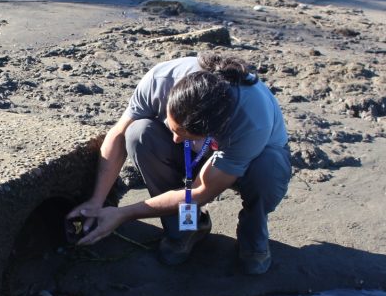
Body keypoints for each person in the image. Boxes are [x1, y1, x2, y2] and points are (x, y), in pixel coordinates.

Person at [67, 52, 291, 275]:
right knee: (139, 133)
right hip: (194, 154)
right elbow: (117, 135)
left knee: (268, 168)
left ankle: (252, 232)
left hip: (248, 161)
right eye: (174, 129)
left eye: (185, 135)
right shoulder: (161, 80)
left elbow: (200, 192)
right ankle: (187, 227)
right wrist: (96, 201)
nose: (175, 140)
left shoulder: (251, 120)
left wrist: (124, 214)